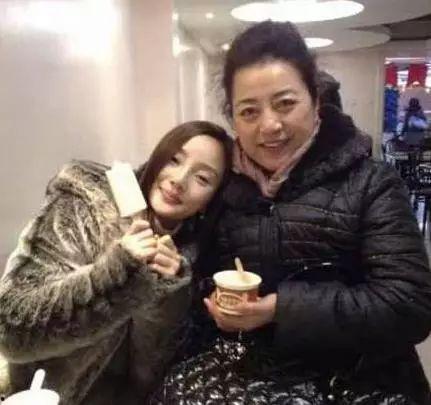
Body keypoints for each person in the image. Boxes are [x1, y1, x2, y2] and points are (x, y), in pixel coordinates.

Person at [153, 21, 431, 404]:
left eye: (285, 103)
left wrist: (280, 310)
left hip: (363, 378)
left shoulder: (371, 183)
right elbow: (164, 201)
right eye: (249, 111)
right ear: (233, 119)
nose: (269, 126)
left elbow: (410, 306)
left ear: (315, 99)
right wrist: (197, 291)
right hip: (251, 375)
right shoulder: (225, 187)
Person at [0, 120, 232, 404]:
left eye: (202, 178)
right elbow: (12, 331)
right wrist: (119, 273)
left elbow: (147, 375)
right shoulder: (85, 204)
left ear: (209, 201)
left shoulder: (188, 258)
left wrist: (165, 294)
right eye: (174, 160)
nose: (179, 180)